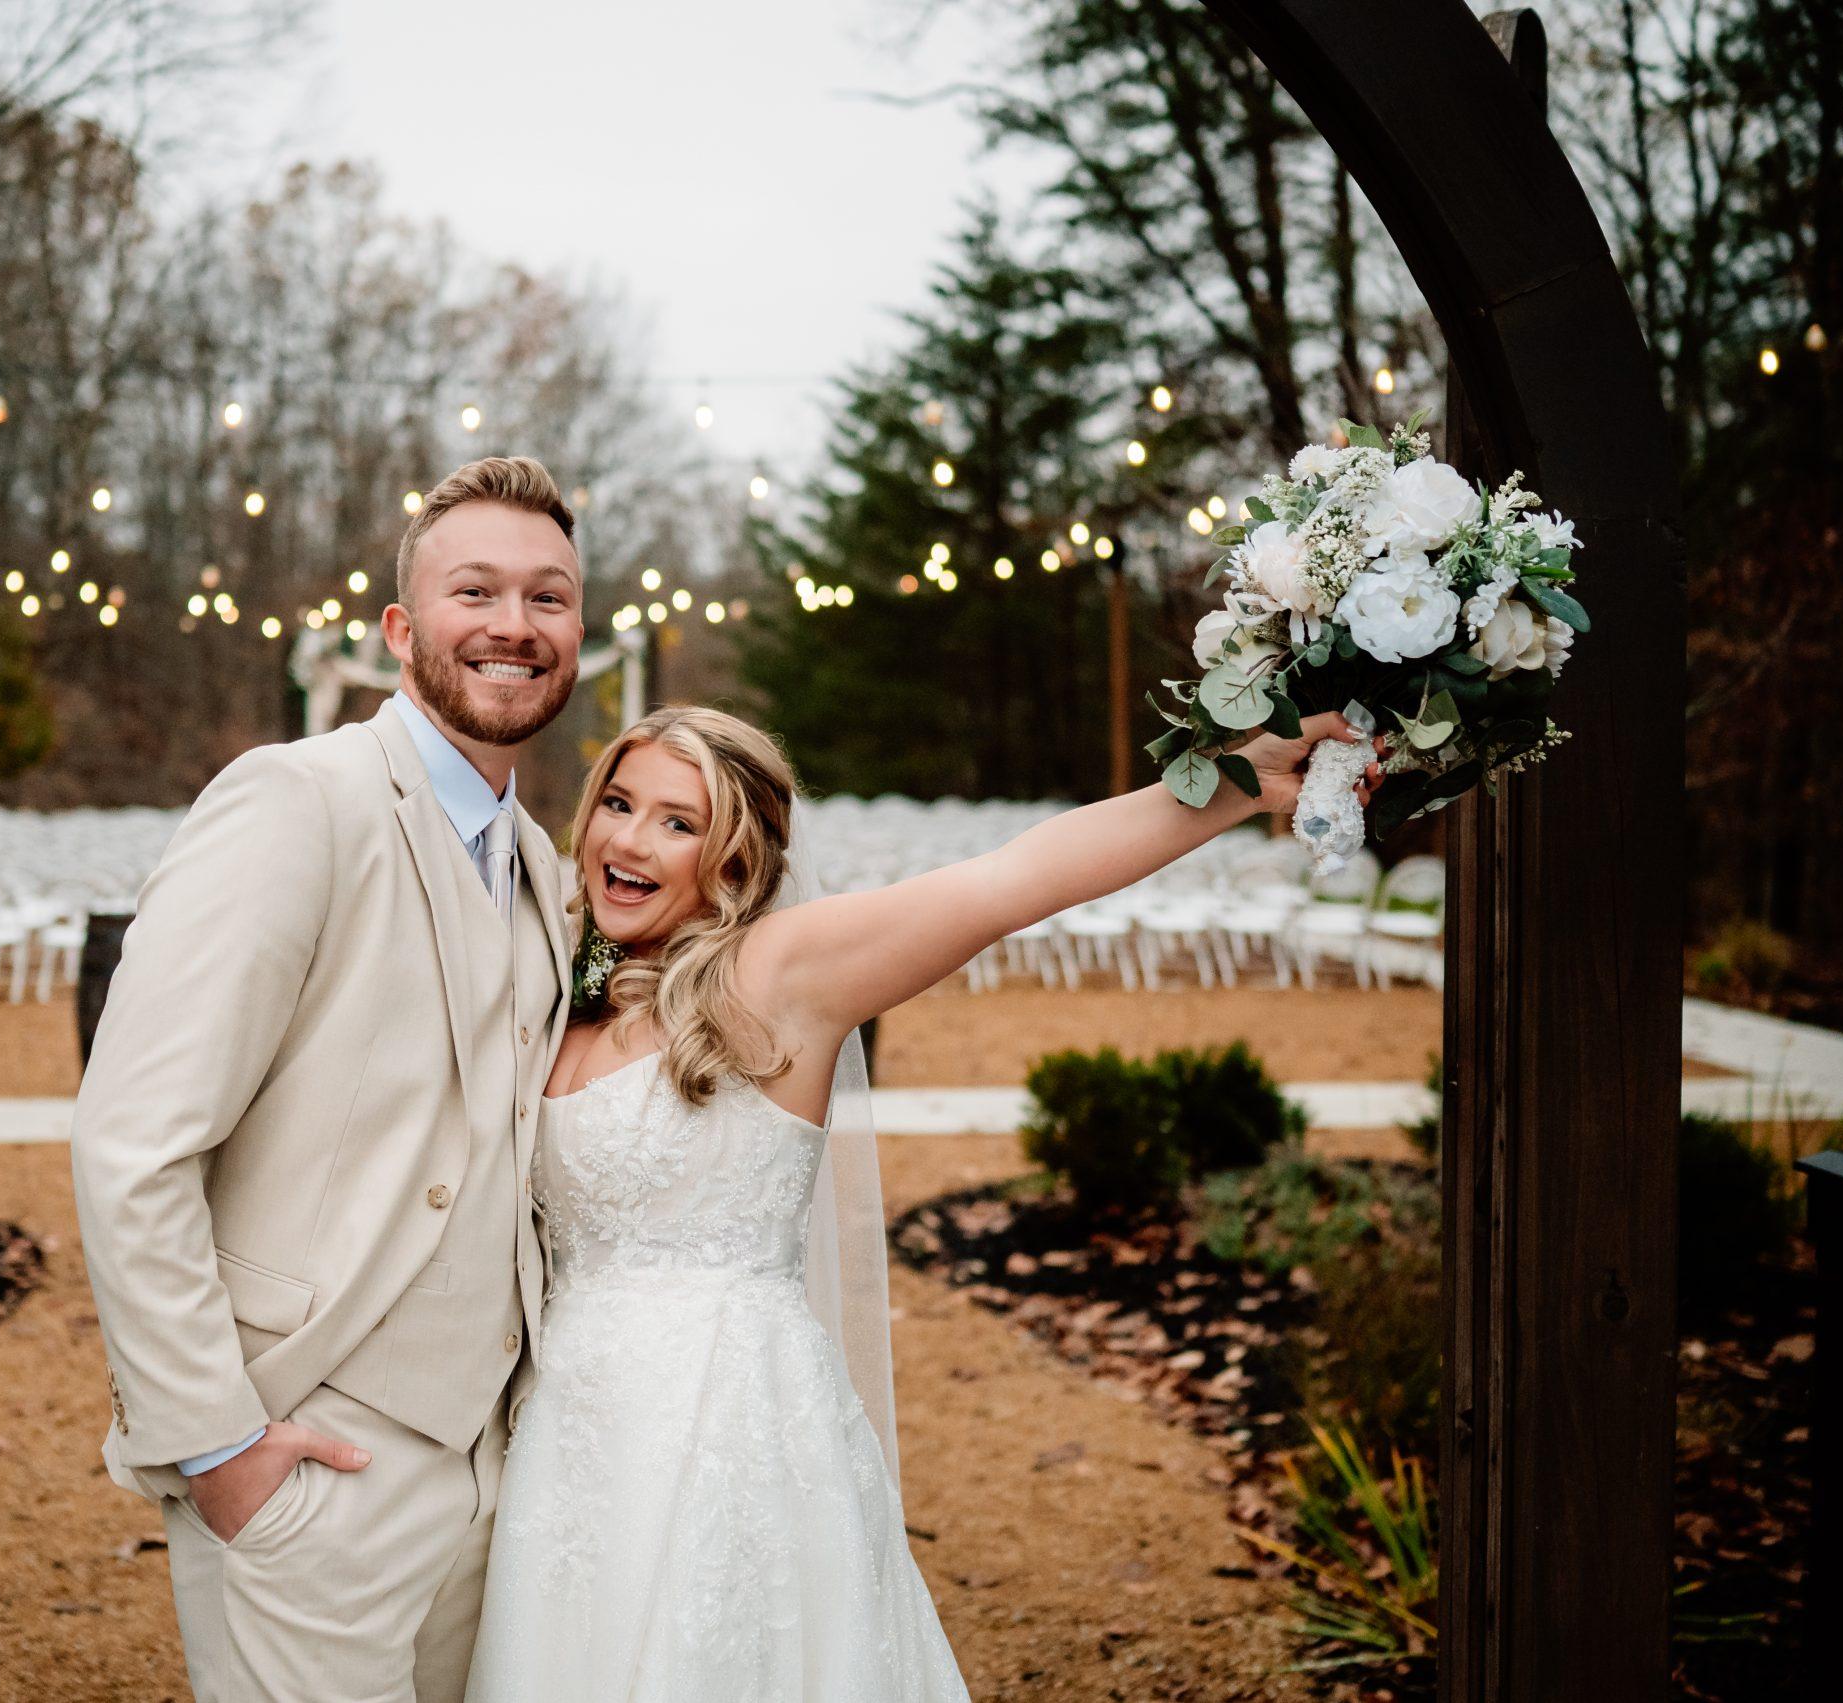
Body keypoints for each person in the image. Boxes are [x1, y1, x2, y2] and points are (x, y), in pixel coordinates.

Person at [462, 703, 1383, 1701]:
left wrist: (1239, 781)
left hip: (722, 1428)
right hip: (567, 1440)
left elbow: (1011, 879)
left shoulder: (775, 975)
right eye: (619, 803)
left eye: (677, 821)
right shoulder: (562, 994)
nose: (628, 840)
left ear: (731, 860)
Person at [70, 455, 587, 1703]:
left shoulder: (539, 860)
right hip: (307, 1465)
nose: (514, 625)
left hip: (489, 1473)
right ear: (402, 630)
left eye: (549, 597)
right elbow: (132, 1141)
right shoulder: (294, 800)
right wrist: (219, 1445)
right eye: (477, 590)